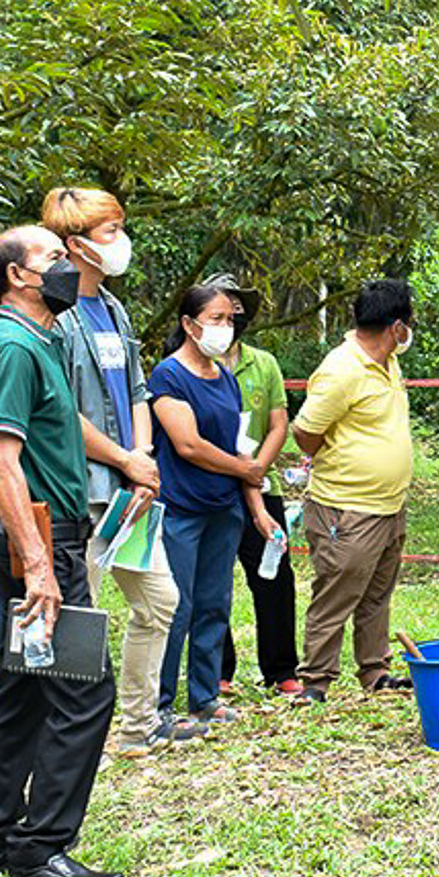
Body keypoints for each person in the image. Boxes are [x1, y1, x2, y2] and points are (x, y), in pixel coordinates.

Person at [0, 225, 124, 877]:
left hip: (51, 533)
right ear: (17, 279)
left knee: (23, 687)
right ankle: (39, 855)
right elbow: (1, 460)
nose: (68, 266)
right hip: (43, 538)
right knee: (86, 692)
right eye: (53, 259)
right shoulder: (9, 346)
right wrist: (39, 567)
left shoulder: (44, 339)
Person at [40, 186, 180, 758]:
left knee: (159, 603)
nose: (122, 243)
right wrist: (123, 460)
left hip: (132, 491)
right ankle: (73, 738)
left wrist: (141, 462)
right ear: (76, 244)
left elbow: (137, 392)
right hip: (85, 492)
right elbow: (58, 412)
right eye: (110, 232)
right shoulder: (55, 316)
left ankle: (135, 726)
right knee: (81, 618)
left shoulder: (115, 310)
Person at [150, 282, 281, 728]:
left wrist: (257, 507)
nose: (226, 328)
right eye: (217, 319)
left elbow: (239, 447)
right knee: (175, 606)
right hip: (181, 508)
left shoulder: (225, 379)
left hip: (224, 510)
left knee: (214, 604)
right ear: (189, 324)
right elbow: (188, 445)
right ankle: (159, 704)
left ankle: (204, 696)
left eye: (230, 320)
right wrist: (243, 471)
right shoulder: (168, 376)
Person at [290, 279, 417, 704]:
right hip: (346, 508)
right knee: (337, 592)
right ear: (396, 327)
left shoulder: (387, 362)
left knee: (377, 593)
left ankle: (375, 671)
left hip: (389, 506)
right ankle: (315, 681)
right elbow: (305, 433)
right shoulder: (342, 369)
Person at [214, 273, 301, 697]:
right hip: (209, 487)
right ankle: (218, 670)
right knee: (211, 581)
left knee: (274, 577)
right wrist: (233, 469)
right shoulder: (184, 362)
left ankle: (282, 669)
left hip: (263, 487)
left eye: (237, 305)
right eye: (221, 305)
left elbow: (278, 423)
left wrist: (255, 470)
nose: (231, 313)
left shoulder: (263, 363)